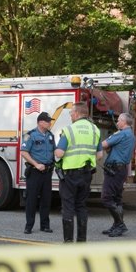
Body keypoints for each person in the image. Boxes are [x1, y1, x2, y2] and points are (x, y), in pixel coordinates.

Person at [54, 102, 103, 243]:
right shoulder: (95, 130)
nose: (70, 116)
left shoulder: (69, 130)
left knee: (68, 206)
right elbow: (99, 155)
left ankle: (68, 242)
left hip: (70, 174)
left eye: (71, 113)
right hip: (86, 174)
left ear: (76, 113)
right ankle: (81, 241)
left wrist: (56, 150)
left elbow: (60, 153)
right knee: (81, 206)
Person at [100, 112, 136, 237]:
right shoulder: (130, 135)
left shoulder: (121, 134)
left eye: (119, 120)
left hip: (114, 170)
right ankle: (117, 225)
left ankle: (120, 225)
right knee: (117, 199)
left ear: (125, 122)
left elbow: (103, 145)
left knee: (106, 197)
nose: (117, 122)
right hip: (120, 170)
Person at [21, 112, 56, 234]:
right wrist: (36, 164)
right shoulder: (29, 135)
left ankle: (45, 225)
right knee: (32, 199)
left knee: (46, 199)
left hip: (47, 172)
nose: (49, 123)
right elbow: (24, 152)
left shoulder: (50, 135)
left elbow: (54, 151)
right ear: (40, 122)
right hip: (35, 171)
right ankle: (29, 226)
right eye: (47, 121)